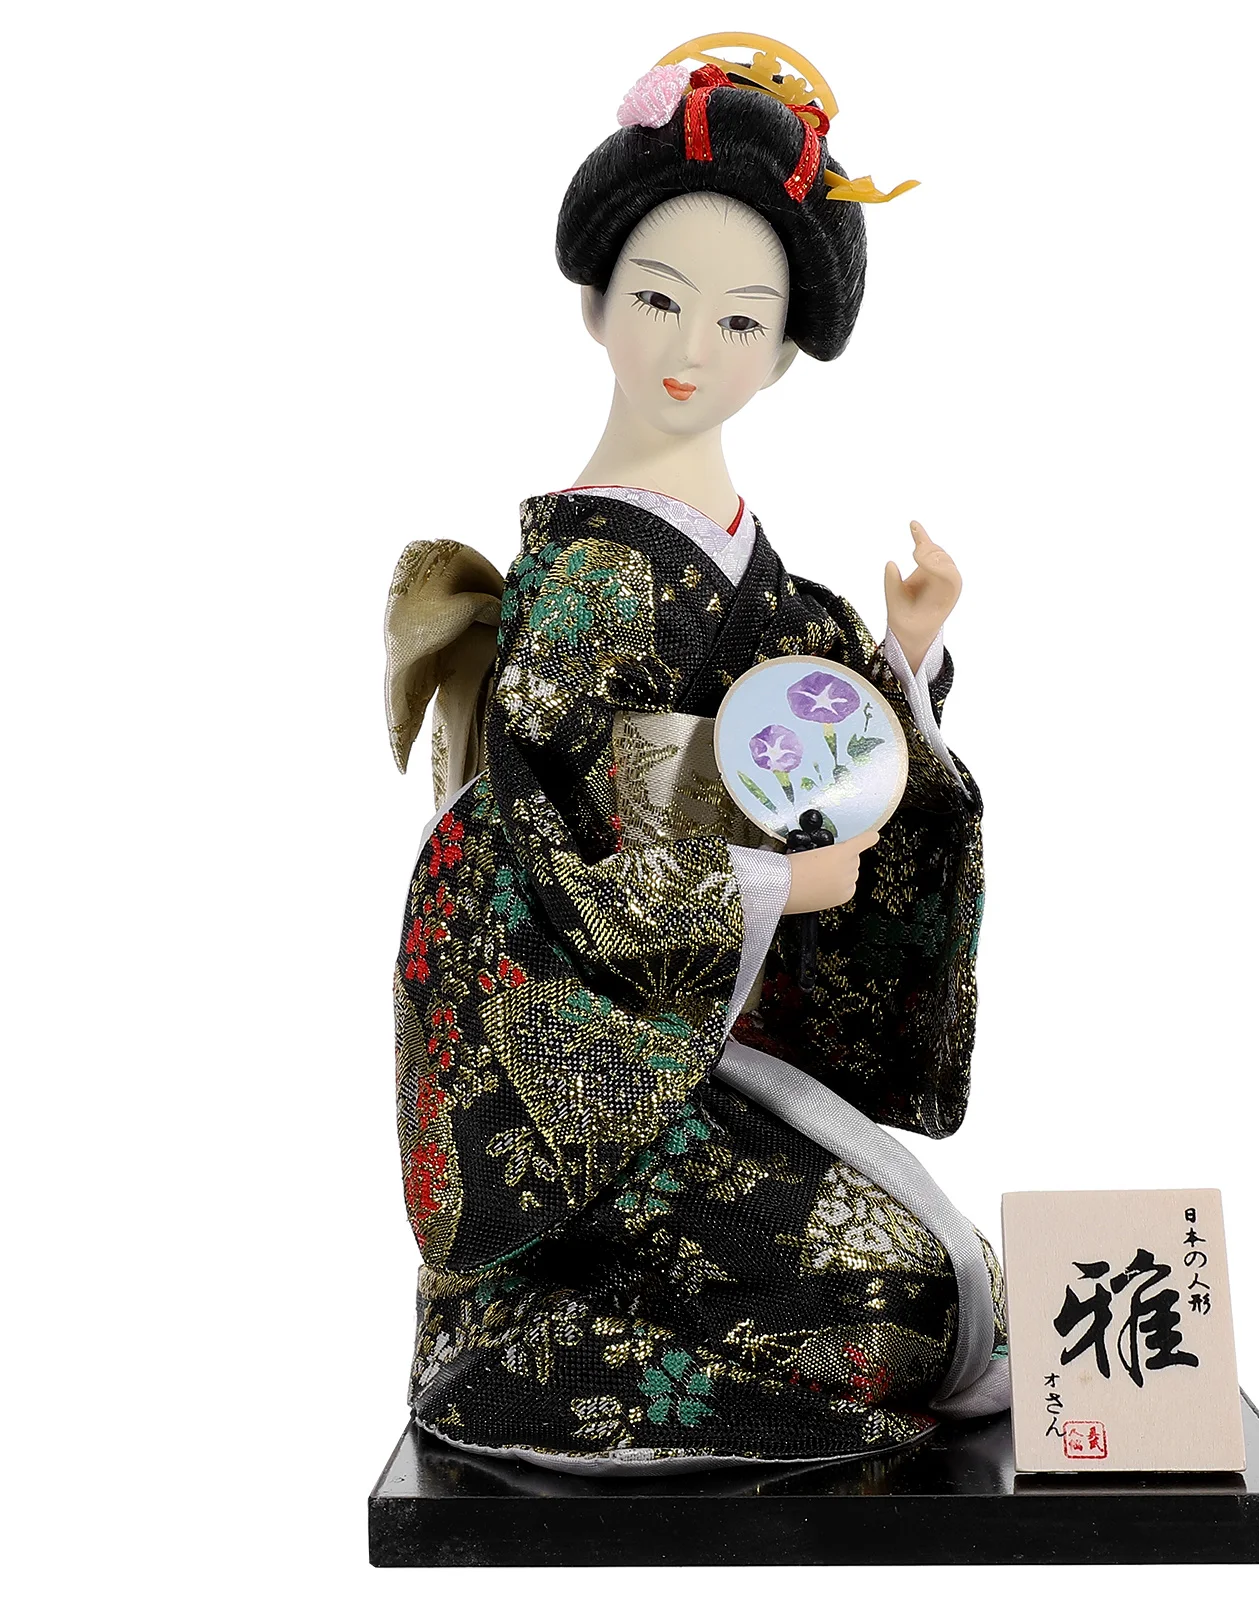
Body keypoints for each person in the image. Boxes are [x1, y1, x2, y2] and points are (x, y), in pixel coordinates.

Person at [383, 36, 1007, 1474]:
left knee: (952, 1282)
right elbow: (582, 851)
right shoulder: (586, 588)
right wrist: (776, 882)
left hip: (701, 1043)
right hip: (585, 1073)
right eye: (660, 299)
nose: (691, 349)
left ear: (783, 352)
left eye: (739, 320)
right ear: (596, 302)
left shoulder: (747, 571)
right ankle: (521, 1336)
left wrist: (904, 659)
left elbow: (824, 739)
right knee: (894, 1304)